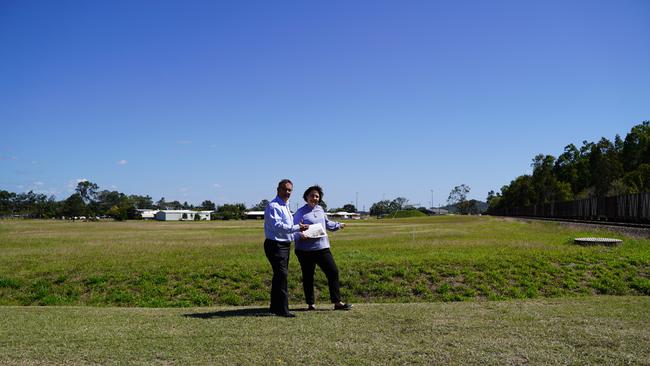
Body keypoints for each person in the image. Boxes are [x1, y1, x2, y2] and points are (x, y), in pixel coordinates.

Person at [293, 185, 353, 311]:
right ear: (306, 197)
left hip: (322, 247)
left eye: (317, 196)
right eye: (311, 196)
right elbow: (293, 229)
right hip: (305, 250)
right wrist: (300, 235)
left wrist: (338, 225)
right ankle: (311, 304)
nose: (314, 198)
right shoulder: (300, 212)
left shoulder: (320, 209)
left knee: (333, 272)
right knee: (308, 276)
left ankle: (337, 302)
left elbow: (326, 223)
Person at [264, 179, 308, 317]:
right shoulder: (274, 206)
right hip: (275, 245)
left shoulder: (286, 206)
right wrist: (297, 228)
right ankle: (283, 309)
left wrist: (298, 234)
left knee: (279, 277)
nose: (287, 192)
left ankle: (274, 308)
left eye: (290, 190)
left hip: (284, 245)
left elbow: (287, 230)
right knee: (282, 276)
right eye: (285, 189)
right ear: (278, 190)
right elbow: (278, 227)